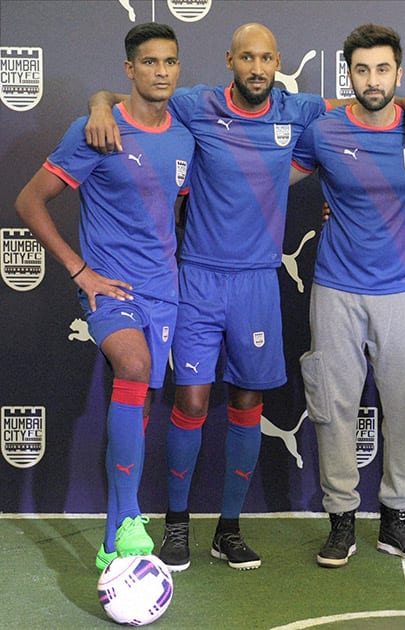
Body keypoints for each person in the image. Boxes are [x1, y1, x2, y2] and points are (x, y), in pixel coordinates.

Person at [85, 22, 405, 572]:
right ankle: (177, 527)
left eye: (266, 58)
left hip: (258, 282)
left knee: (248, 403)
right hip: (197, 278)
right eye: (246, 57)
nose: (256, 68)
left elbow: (366, 99)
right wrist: (98, 103)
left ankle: (229, 530)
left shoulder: (299, 111)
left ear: (278, 63)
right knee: (192, 403)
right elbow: (135, 99)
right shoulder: (195, 105)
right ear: (230, 60)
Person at [15, 23, 195, 573]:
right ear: (129, 70)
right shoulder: (96, 129)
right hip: (111, 289)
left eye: (169, 62)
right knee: (134, 364)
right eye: (149, 63)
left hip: (166, 291)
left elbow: (174, 208)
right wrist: (80, 272)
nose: (160, 72)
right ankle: (128, 517)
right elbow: (29, 201)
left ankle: (113, 536)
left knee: (137, 400)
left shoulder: (184, 133)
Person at [290, 23, 405, 568]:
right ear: (349, 75)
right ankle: (341, 522)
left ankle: (396, 521)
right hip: (335, 289)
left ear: (398, 74)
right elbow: (268, 175)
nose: (373, 79)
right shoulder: (324, 130)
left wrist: (391, 241)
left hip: (399, 292)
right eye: (362, 69)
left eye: (383, 69)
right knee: (334, 409)